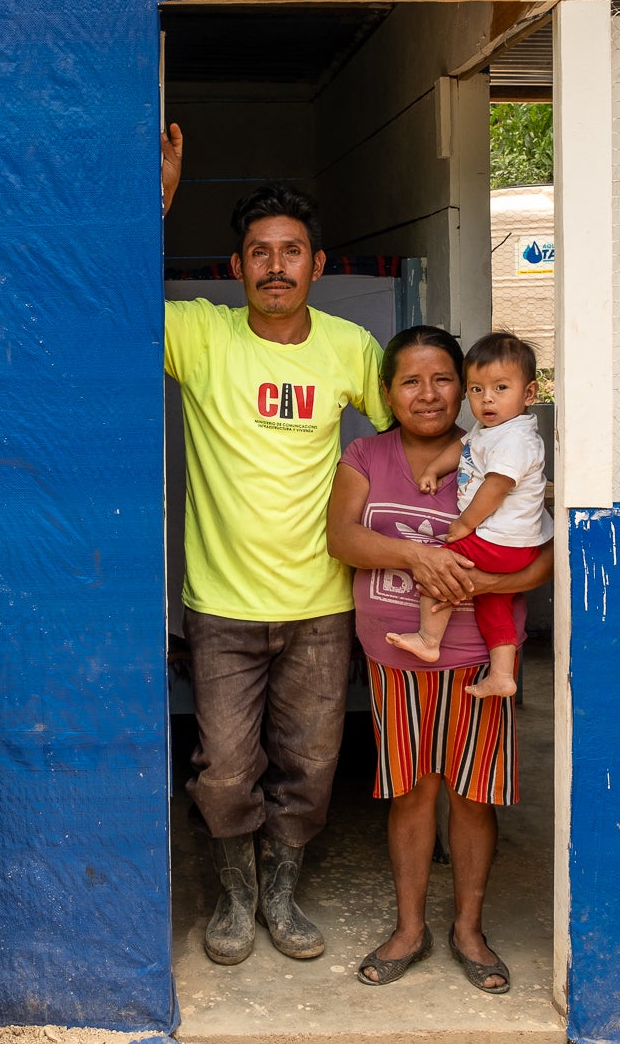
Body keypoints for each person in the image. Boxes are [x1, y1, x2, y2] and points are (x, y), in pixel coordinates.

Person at [163, 128, 392, 965]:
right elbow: (109, 305)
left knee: (312, 765)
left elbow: (407, 438)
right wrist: (154, 202)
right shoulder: (200, 334)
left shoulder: (351, 349)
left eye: (291, 251)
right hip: (221, 605)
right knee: (225, 768)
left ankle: (282, 892)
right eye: (258, 252)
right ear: (235, 269)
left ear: (317, 264)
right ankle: (234, 893)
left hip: (325, 604)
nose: (274, 266)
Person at [325, 325, 553, 991]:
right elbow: (342, 539)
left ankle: (469, 929)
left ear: (463, 387)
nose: (428, 394)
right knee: (412, 794)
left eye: (443, 379)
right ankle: (409, 927)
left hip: (479, 658)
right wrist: (419, 556)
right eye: (410, 381)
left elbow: (541, 560)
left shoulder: (503, 446)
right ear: (387, 393)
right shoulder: (365, 454)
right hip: (396, 658)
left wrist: (482, 584)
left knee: (473, 797)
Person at [385, 332, 553, 698]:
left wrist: (464, 525)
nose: (487, 398)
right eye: (477, 389)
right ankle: (503, 674)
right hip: (511, 544)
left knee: (441, 566)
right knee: (493, 603)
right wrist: (434, 469)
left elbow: (496, 486)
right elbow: (460, 449)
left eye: (500, 387)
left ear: (529, 394)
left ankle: (429, 638)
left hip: (500, 541)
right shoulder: (489, 431)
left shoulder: (515, 439)